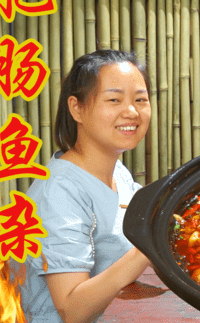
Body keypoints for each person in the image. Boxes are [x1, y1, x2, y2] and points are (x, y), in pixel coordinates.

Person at [22, 50, 152, 323]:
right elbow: (72, 309)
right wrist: (151, 246)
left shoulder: (116, 169)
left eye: (140, 100)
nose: (132, 111)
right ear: (76, 108)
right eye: (114, 99)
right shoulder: (59, 193)